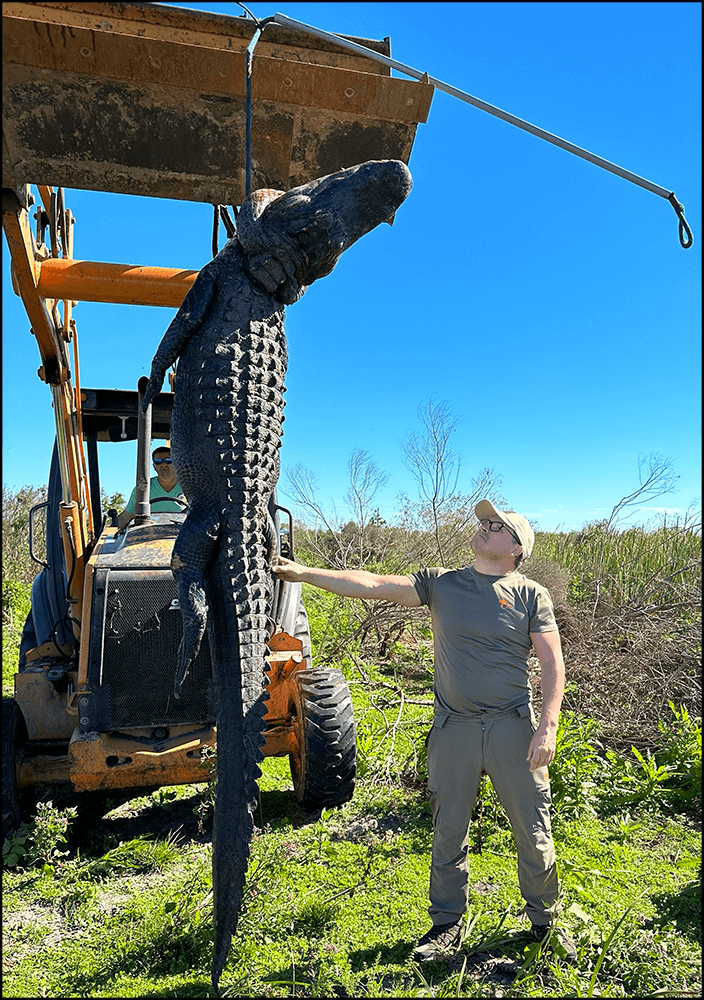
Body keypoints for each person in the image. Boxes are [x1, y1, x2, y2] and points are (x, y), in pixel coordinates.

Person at [272, 498, 577, 963]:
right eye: (484, 522)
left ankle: (546, 924)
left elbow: (553, 663)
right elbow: (373, 584)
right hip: (453, 729)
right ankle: (446, 924)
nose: (483, 527)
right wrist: (305, 573)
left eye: (496, 526)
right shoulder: (442, 583)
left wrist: (548, 727)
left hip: (512, 728)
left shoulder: (531, 594)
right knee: (447, 830)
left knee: (534, 831)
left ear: (516, 547)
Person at [116, 446, 186, 528]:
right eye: (158, 461)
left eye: (168, 460)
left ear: (176, 463)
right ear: (154, 466)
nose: (163, 464)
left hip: (182, 534)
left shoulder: (189, 486)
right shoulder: (142, 488)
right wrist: (111, 530)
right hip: (150, 535)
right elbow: (126, 516)